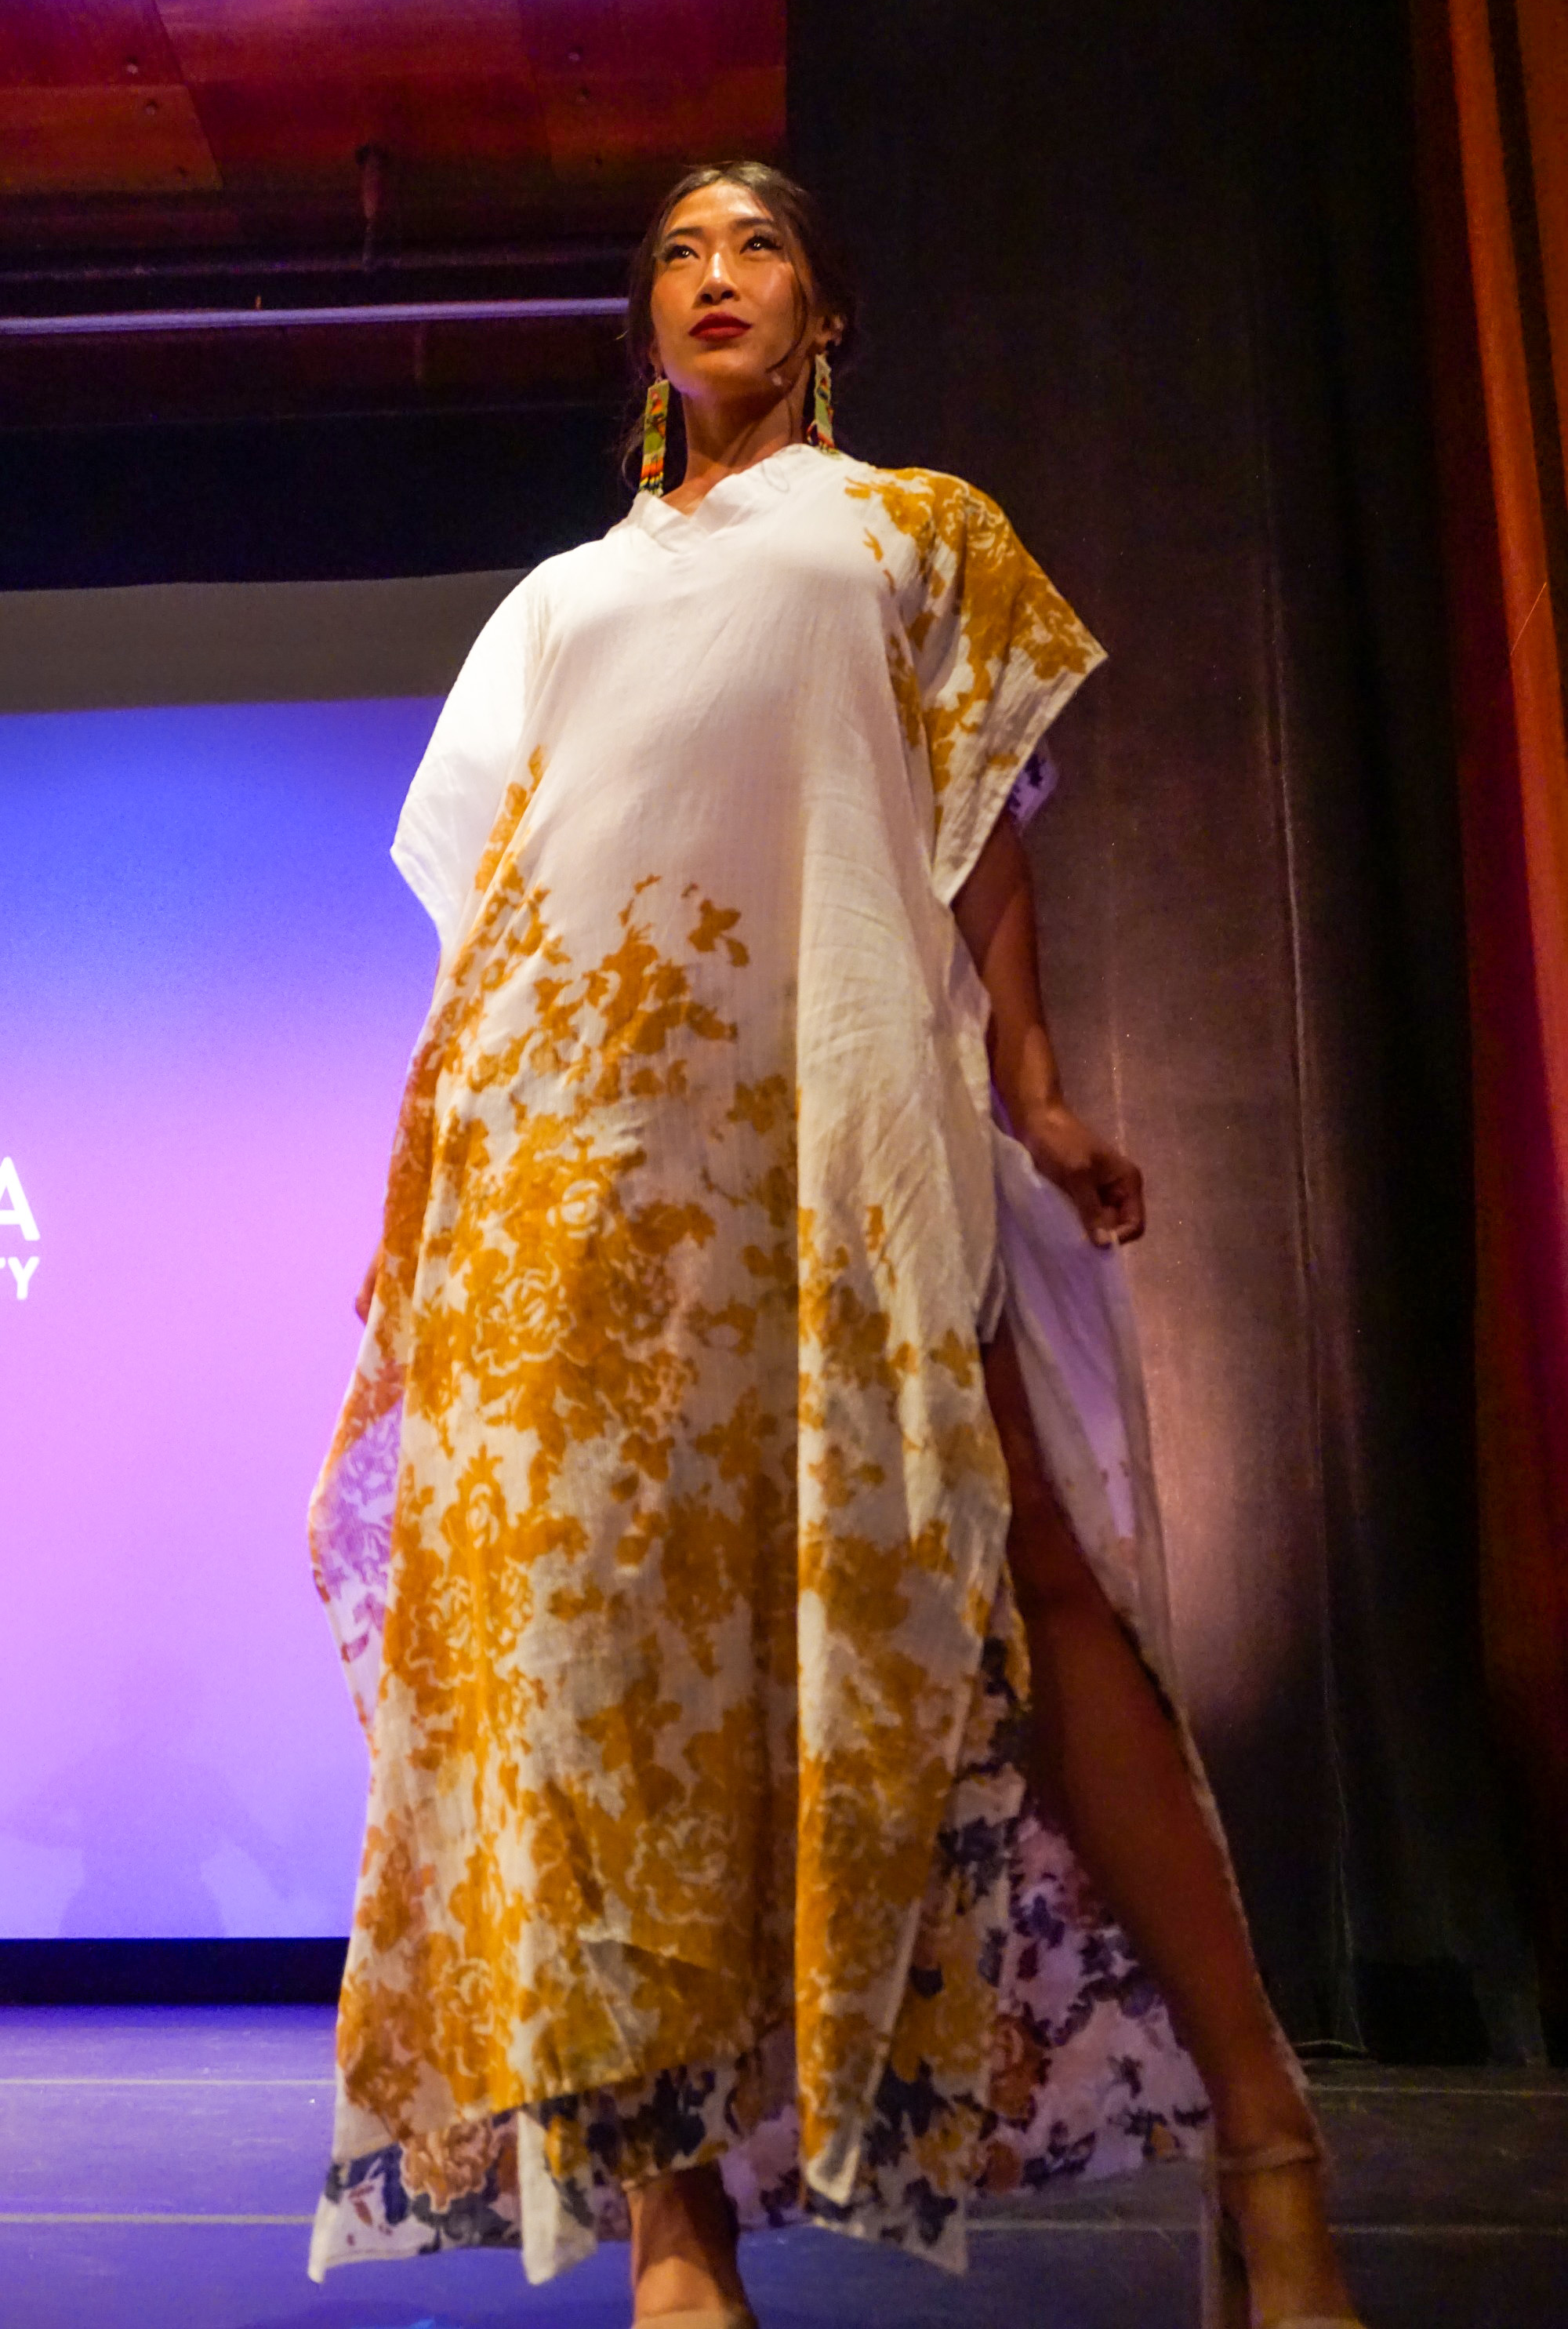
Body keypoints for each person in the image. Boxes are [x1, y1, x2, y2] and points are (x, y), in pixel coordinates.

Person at [307, 162, 1365, 2329]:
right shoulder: (557, 599)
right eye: (680, 255)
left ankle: (1269, 2140)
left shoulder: (913, 529)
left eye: (757, 245)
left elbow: (980, 826)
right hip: (569, 1171)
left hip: (834, 1119)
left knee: (1014, 1588)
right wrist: (417, 1195)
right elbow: (492, 916)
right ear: (647, 329)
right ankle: (669, 2237)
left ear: (824, 311)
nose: (717, 278)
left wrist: (1040, 1091)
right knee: (599, 1673)